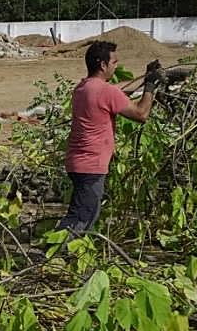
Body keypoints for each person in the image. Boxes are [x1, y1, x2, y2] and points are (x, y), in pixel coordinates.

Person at [57, 41, 161, 235]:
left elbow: (117, 92)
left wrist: (145, 78)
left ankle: (61, 252)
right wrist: (150, 87)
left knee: (83, 212)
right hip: (91, 164)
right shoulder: (106, 91)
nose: (116, 66)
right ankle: (53, 256)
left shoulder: (83, 87)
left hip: (78, 162)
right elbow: (141, 114)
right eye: (114, 62)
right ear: (103, 65)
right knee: (82, 217)